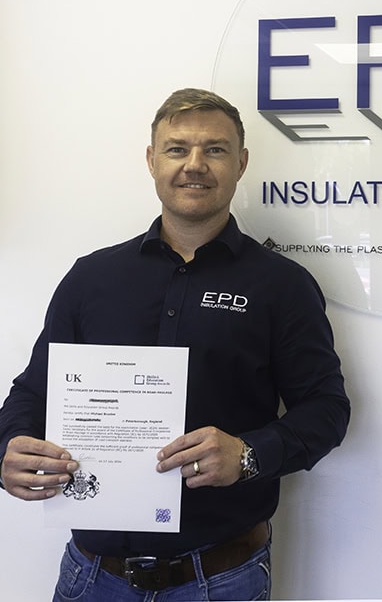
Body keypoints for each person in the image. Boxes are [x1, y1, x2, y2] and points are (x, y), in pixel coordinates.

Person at [0, 88, 350, 601]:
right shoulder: (91, 278)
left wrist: (248, 454)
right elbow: (34, 392)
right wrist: (10, 446)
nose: (195, 165)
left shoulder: (282, 285)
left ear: (241, 162)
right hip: (92, 578)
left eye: (214, 149)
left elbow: (326, 409)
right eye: (176, 148)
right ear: (150, 160)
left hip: (222, 579)